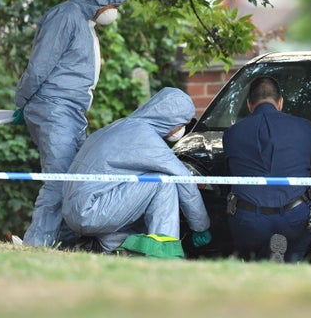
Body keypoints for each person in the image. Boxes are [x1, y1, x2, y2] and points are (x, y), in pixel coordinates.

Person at [13, 0, 127, 247]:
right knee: (60, 178)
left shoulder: (83, 22)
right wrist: (23, 100)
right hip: (55, 108)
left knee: (74, 179)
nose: (113, 12)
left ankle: (63, 240)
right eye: (113, 5)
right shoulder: (67, 15)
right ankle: (37, 243)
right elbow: (40, 65)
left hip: (70, 111)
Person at [61, 87, 212, 254]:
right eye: (183, 123)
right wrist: (200, 226)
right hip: (91, 211)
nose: (182, 129)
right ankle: (164, 252)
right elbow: (183, 179)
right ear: (171, 120)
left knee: (142, 186)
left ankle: (109, 247)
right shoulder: (146, 138)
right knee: (162, 182)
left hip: (75, 210)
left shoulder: (119, 126)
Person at [222, 76, 311, 263]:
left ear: (249, 104)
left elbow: (231, 174)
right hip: (294, 217)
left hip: (249, 219)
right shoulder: (304, 127)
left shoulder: (232, 133)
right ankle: (291, 261)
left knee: (249, 252)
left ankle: (253, 261)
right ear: (280, 103)